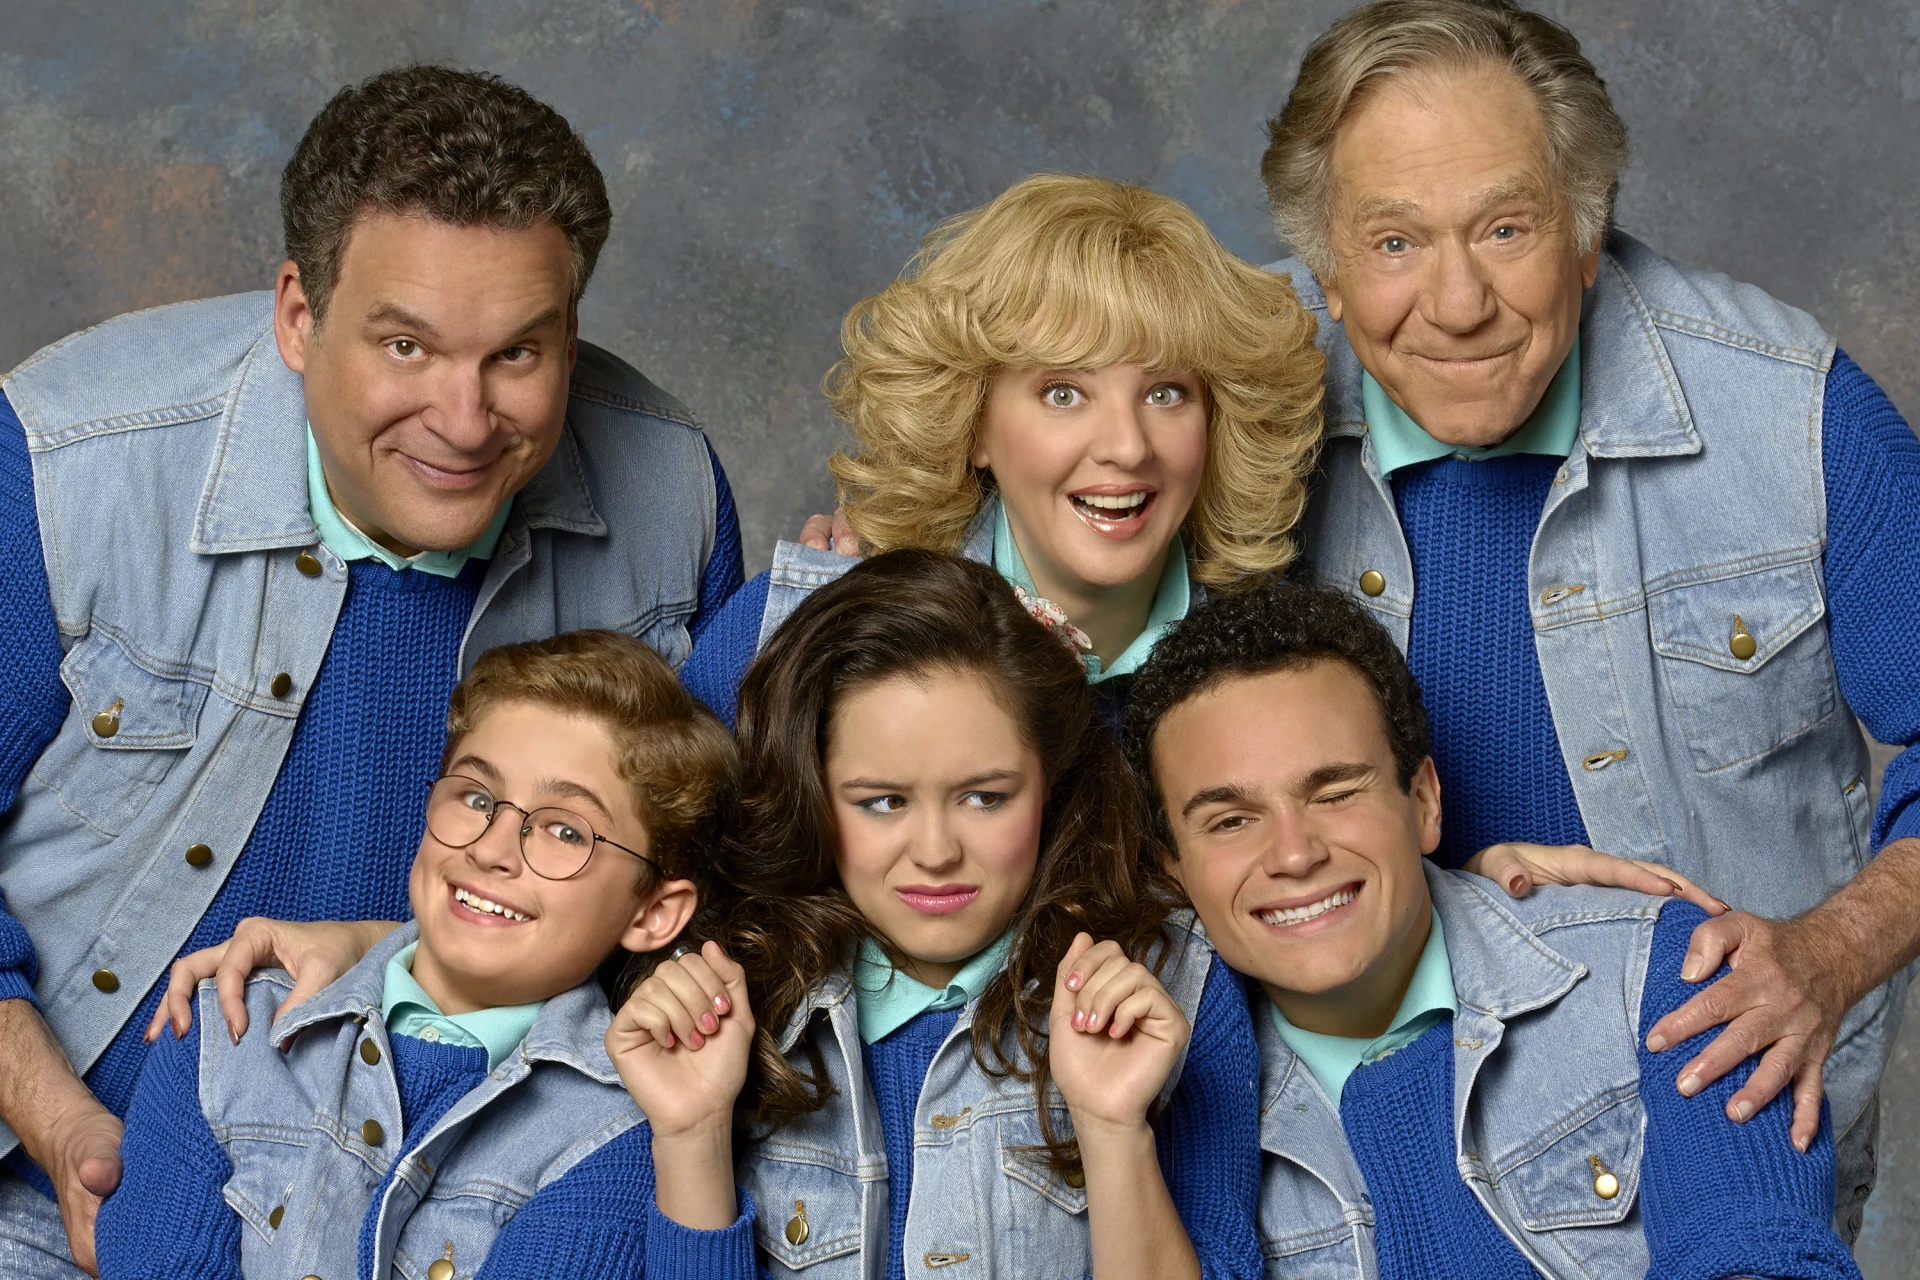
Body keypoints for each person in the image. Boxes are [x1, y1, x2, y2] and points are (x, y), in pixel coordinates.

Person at [0, 66, 742, 1275]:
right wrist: (52, 1111)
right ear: (298, 312)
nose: (461, 417)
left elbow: (694, 888)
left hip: (467, 1210)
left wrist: (376, 941)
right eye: (407, 344)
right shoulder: (67, 461)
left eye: (519, 354)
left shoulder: (668, 495)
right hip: (46, 1178)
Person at [1258, 0, 1920, 1235]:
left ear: (1586, 224)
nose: (1456, 303)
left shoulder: (1788, 414)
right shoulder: (1210, 396)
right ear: (1326, 269)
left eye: (1505, 227)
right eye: (1394, 241)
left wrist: (1830, 953)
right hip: (1322, 1171)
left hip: (1715, 1151)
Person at [1125, 580, 1860, 1279]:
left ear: (1423, 803)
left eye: (1336, 791)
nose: (1294, 854)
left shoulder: (1666, 971)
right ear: (1175, 871)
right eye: (1231, 821)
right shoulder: (1165, 1113)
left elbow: (1759, 1245)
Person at [616, 551, 1264, 1279]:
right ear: (814, 792)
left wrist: (1114, 1135)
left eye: (985, 797)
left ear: (1050, 783)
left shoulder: (1174, 976)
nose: (935, 853)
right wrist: (691, 1136)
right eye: (882, 801)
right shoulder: (728, 989)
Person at [94, 631, 756, 1279]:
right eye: (476, 798)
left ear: (652, 913)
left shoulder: (613, 1137)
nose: (491, 848)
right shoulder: (227, 1026)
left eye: (564, 831)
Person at [678, 172, 1326, 728]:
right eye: (1064, 394)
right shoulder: (784, 641)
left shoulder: (1291, 668)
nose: (1128, 447)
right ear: (974, 425)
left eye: (1166, 394)